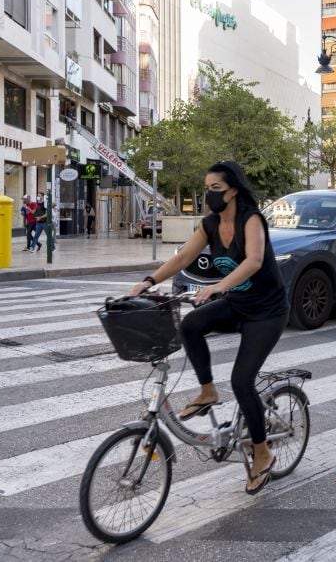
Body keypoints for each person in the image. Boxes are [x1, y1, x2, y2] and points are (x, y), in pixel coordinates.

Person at [129, 161, 289, 495]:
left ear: (233, 190)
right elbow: (183, 257)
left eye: (215, 189)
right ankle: (207, 391)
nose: (209, 195)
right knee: (190, 324)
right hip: (239, 304)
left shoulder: (251, 219)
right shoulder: (211, 224)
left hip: (267, 312)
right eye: (207, 189)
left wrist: (219, 286)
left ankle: (262, 453)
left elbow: (254, 261)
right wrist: (148, 281)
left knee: (242, 381)